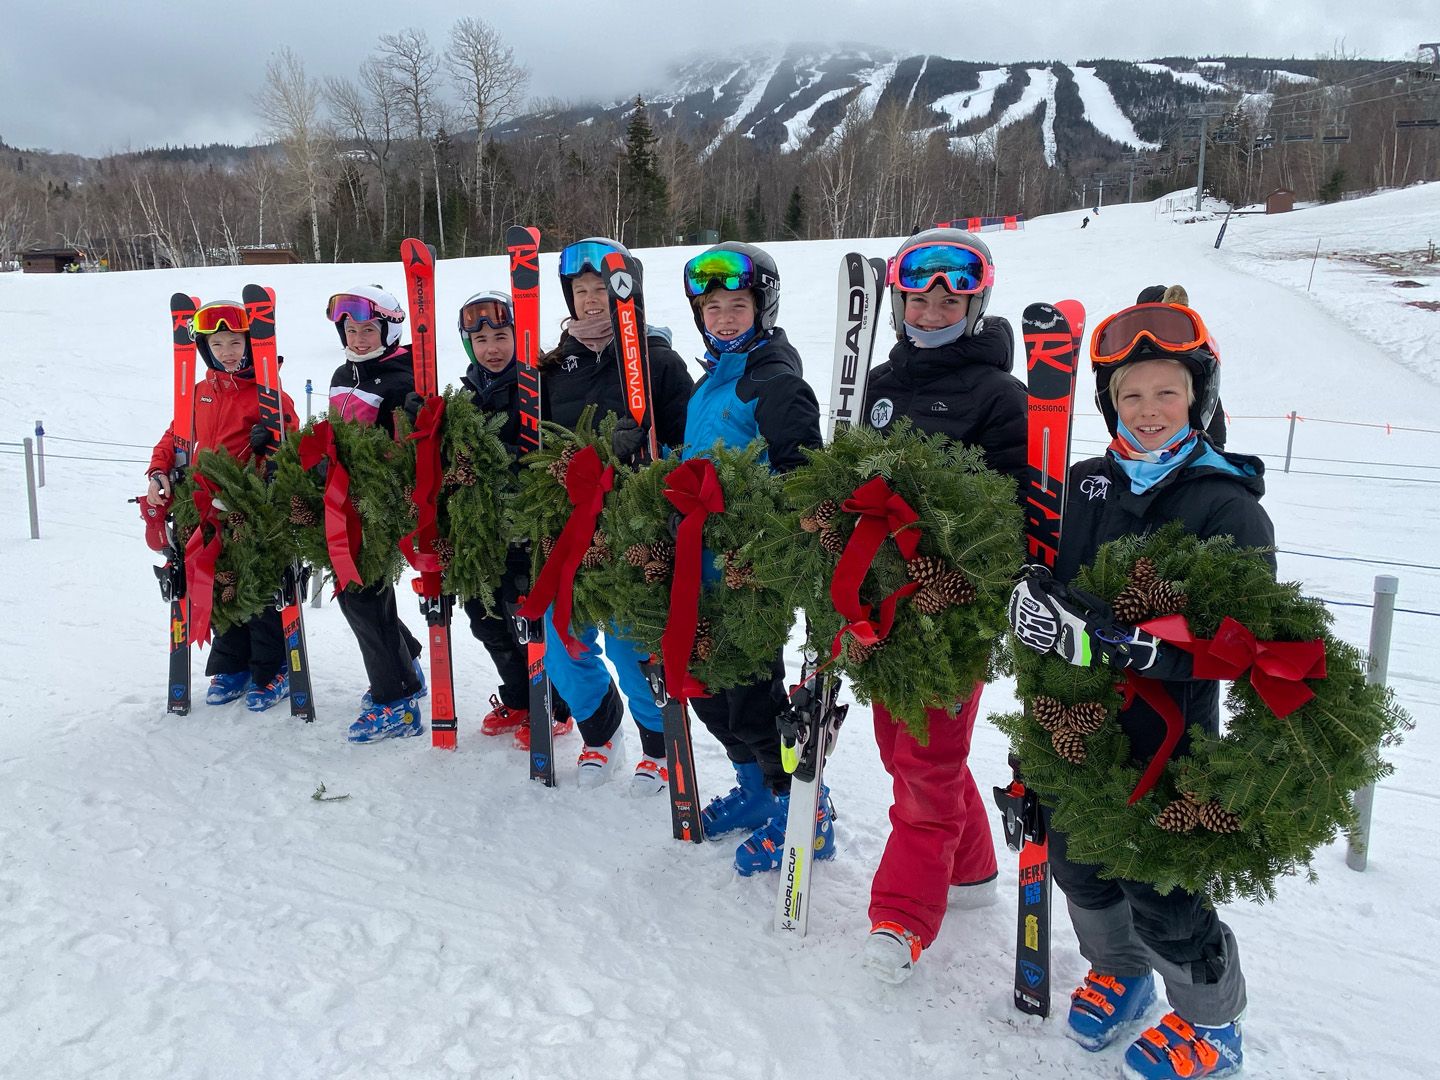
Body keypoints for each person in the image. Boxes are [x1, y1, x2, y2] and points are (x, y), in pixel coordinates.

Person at [1007, 297, 1270, 1079]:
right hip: (1079, 722)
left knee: (1162, 885)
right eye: (1131, 394)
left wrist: (1130, 646)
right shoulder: (1084, 485)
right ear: (1108, 402)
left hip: (1171, 742)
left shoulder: (1226, 504)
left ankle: (1211, 1025)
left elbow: (1240, 645)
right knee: (1078, 859)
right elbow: (1056, 577)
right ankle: (1119, 971)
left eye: (1167, 392)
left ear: (1199, 397)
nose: (1148, 410)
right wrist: (1032, 599)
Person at [854, 228, 1027, 983]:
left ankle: (902, 917)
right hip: (882, 603)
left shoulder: (1001, 397)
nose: (930, 311)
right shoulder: (880, 384)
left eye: (947, 299)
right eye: (918, 298)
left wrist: (955, 572)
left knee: (926, 761)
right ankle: (975, 870)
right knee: (902, 750)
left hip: (950, 609)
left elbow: (1017, 511)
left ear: (975, 303)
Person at [678, 241, 827, 875]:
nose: (725, 318)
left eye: (737, 305)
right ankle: (758, 790)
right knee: (707, 691)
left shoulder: (776, 382)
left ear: (762, 307)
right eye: (712, 308)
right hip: (699, 567)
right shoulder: (711, 378)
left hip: (749, 570)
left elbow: (803, 480)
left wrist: (753, 533)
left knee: (753, 697)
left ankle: (803, 813)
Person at [538, 237, 693, 791]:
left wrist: (652, 456)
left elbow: (688, 443)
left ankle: (656, 742)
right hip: (572, 526)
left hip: (633, 523)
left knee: (632, 642)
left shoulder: (657, 361)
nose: (590, 300)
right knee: (562, 639)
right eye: (579, 291)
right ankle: (600, 729)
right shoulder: (553, 367)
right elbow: (535, 442)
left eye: (600, 289)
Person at [432, 290, 573, 744]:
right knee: (482, 616)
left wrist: (502, 457)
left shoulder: (538, 388)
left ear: (518, 335)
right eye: (481, 340)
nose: (491, 348)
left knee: (525, 618)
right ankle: (516, 697)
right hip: (478, 533)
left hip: (526, 528)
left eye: (501, 336)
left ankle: (552, 704)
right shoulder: (466, 394)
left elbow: (556, 449)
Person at [145, 299, 297, 712]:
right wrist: (158, 471)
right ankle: (233, 664)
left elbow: (292, 441)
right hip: (203, 506)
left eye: (235, 342)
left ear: (251, 344)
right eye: (219, 344)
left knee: (257, 585)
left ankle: (271, 667)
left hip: (248, 506)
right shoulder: (199, 393)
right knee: (218, 584)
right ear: (205, 349)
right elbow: (173, 439)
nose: (228, 351)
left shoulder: (268, 394)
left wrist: (273, 448)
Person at [324, 285, 427, 743]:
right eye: (351, 329)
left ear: (389, 328)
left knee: (361, 594)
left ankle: (397, 699)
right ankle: (405, 659)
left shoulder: (403, 376)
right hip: (345, 502)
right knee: (364, 594)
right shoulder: (343, 371)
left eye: (369, 329)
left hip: (381, 504)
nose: (360, 338)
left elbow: (407, 450)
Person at [1135, 286, 1226, 448]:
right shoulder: (1134, 354)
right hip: (1144, 444)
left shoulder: (1190, 352)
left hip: (1189, 447)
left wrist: (1215, 446)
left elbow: (1208, 394)